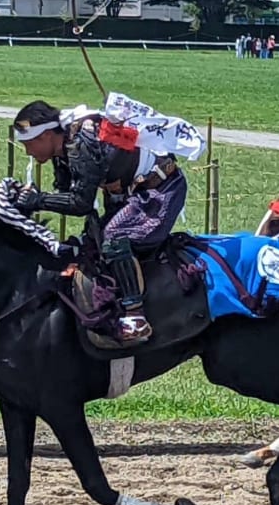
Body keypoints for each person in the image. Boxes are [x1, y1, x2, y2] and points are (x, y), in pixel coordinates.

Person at [12, 99, 198, 345]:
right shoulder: (62, 150)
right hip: (127, 195)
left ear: (46, 135)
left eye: (29, 144)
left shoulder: (80, 143)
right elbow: (68, 192)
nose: (27, 152)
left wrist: (38, 200)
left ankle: (135, 315)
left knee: (114, 239)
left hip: (158, 192)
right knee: (93, 242)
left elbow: (81, 203)